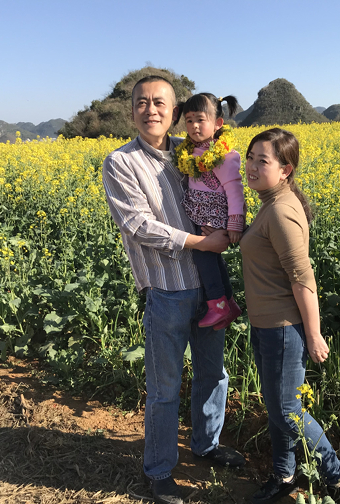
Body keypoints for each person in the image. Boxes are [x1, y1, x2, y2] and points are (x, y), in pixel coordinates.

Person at [102, 75, 245, 504]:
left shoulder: (192, 152)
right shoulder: (121, 162)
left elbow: (230, 184)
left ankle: (206, 444)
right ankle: (160, 469)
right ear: (132, 112)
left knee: (213, 373)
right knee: (165, 387)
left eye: (160, 103)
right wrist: (205, 242)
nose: (152, 110)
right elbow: (139, 225)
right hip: (168, 290)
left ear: (176, 112)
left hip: (210, 285)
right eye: (142, 103)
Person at [239, 128, 340, 504]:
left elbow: (302, 277)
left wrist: (314, 334)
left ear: (286, 169)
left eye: (263, 160)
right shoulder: (271, 202)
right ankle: (284, 474)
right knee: (278, 408)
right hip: (266, 325)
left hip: (282, 329)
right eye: (250, 157)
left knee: (288, 410)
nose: (252, 166)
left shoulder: (280, 210)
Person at [172, 92, 244, 329]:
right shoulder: (189, 151)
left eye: (200, 120)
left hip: (215, 215)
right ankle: (229, 304)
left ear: (218, 124)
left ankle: (217, 305)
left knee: (203, 256)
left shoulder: (222, 155)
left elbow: (234, 189)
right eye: (189, 120)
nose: (194, 126)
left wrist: (234, 222)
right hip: (200, 211)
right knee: (211, 258)